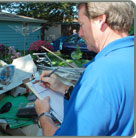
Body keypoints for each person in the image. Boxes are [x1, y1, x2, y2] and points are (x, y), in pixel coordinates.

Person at [34, 2, 134, 136]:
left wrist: (43, 114)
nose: (80, 33)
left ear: (100, 20)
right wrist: (63, 88)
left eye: (81, 25)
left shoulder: (100, 74)